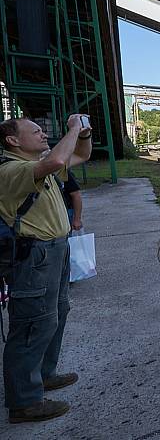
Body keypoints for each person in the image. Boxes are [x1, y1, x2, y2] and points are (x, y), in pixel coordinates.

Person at [0, 114, 92, 423]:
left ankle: (44, 373)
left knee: (56, 313)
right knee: (32, 324)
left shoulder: (41, 162)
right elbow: (54, 162)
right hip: (35, 255)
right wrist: (73, 128)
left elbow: (80, 154)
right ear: (13, 141)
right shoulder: (12, 169)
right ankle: (24, 402)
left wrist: (83, 134)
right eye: (36, 131)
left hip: (56, 249)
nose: (43, 134)